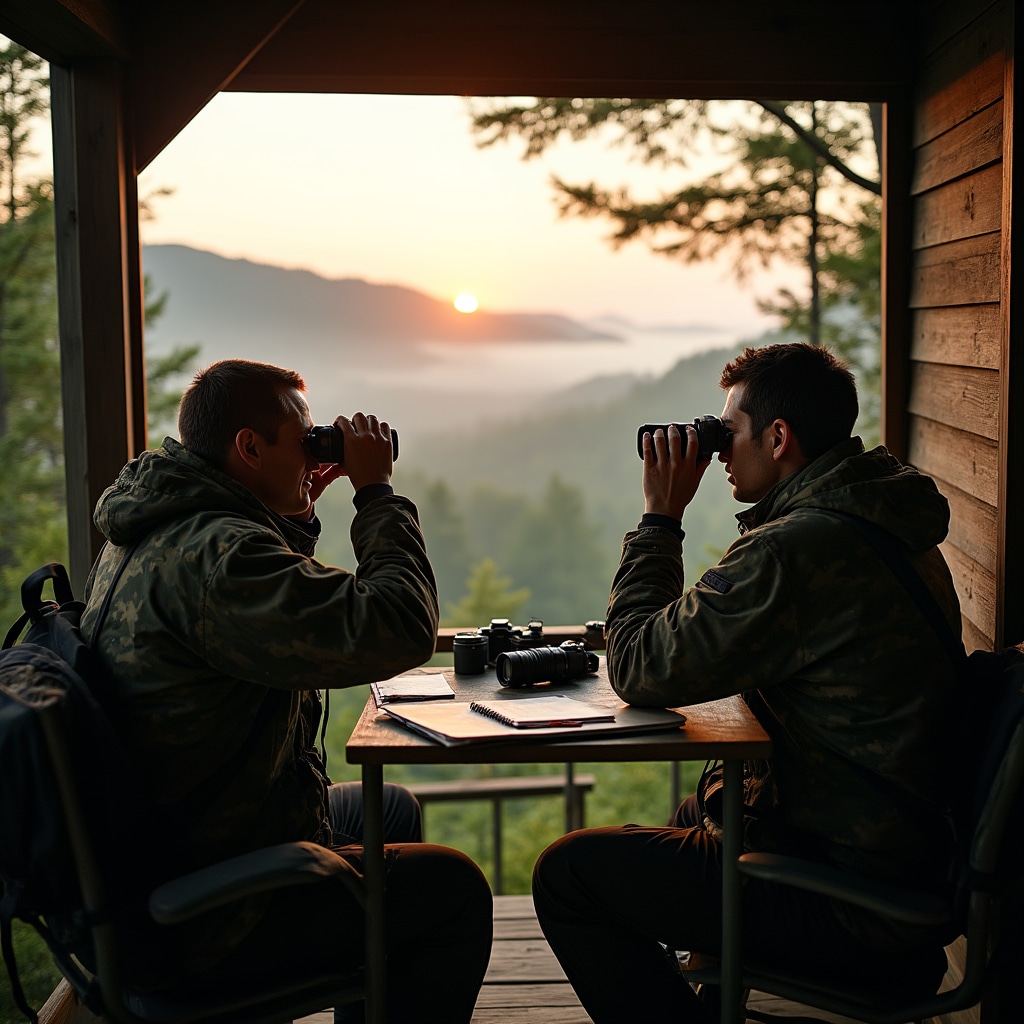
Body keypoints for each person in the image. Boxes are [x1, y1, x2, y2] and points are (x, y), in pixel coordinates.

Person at [532, 342, 961, 1022]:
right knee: (682, 821)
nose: (718, 452)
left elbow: (641, 666)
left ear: (779, 437)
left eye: (726, 433)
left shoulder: (800, 548)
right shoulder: (879, 521)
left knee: (571, 872)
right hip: (894, 865)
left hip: (851, 905)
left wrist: (659, 518)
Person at [81, 358, 492, 1024]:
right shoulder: (220, 558)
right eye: (305, 439)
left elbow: (266, 618)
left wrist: (294, 509)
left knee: (388, 812)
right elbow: (399, 628)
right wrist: (376, 494)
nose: (315, 450)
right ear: (249, 447)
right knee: (452, 890)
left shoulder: (161, 529)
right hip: (208, 919)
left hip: (165, 856)